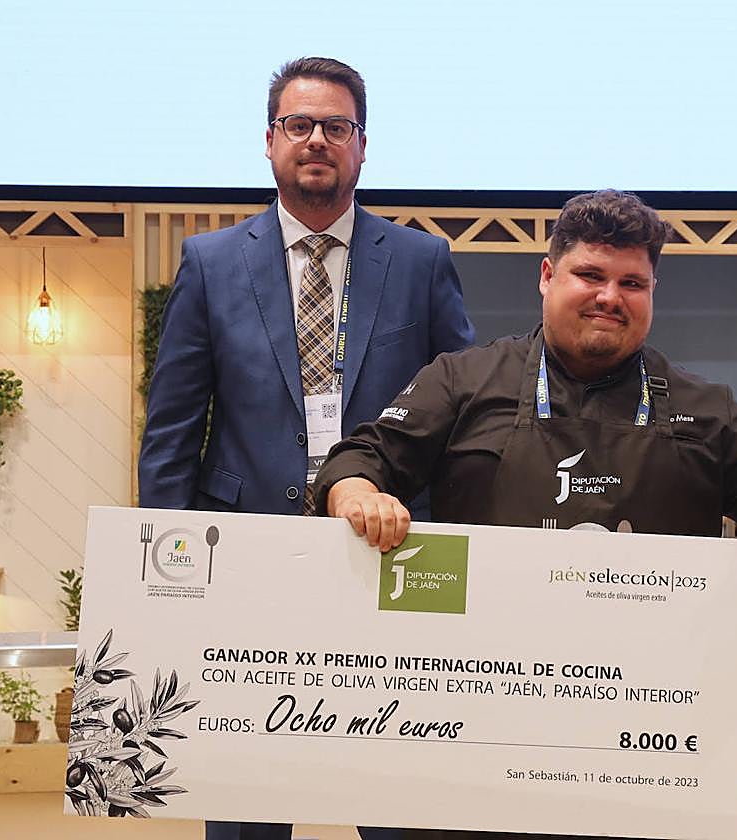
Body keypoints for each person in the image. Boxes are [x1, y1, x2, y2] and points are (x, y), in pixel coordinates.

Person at [138, 57, 474, 840]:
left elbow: (463, 422)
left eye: (336, 126)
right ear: (269, 141)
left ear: (363, 146)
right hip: (247, 560)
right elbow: (173, 432)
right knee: (250, 805)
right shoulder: (211, 264)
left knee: (403, 802)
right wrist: (162, 568)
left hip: (396, 555)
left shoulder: (422, 263)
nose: (316, 139)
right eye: (299, 125)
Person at [314, 188, 737, 551]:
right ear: (547, 276)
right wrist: (357, 493)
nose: (609, 297)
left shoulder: (707, 407)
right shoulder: (462, 380)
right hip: (493, 672)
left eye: (632, 283)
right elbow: (358, 460)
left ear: (652, 292)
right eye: (590, 275)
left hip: (654, 682)